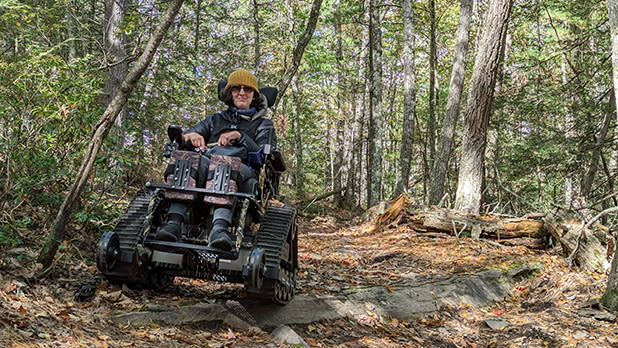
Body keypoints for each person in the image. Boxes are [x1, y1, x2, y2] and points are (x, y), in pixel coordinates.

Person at [156, 68, 277, 251]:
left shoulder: (263, 125)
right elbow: (189, 134)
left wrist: (240, 136)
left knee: (223, 163)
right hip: (206, 166)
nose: (242, 93)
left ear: (255, 95)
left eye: (247, 89)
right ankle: (173, 223)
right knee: (186, 158)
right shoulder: (216, 119)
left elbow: (263, 157)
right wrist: (190, 136)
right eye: (237, 88)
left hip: (243, 172)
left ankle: (219, 228)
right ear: (229, 92)